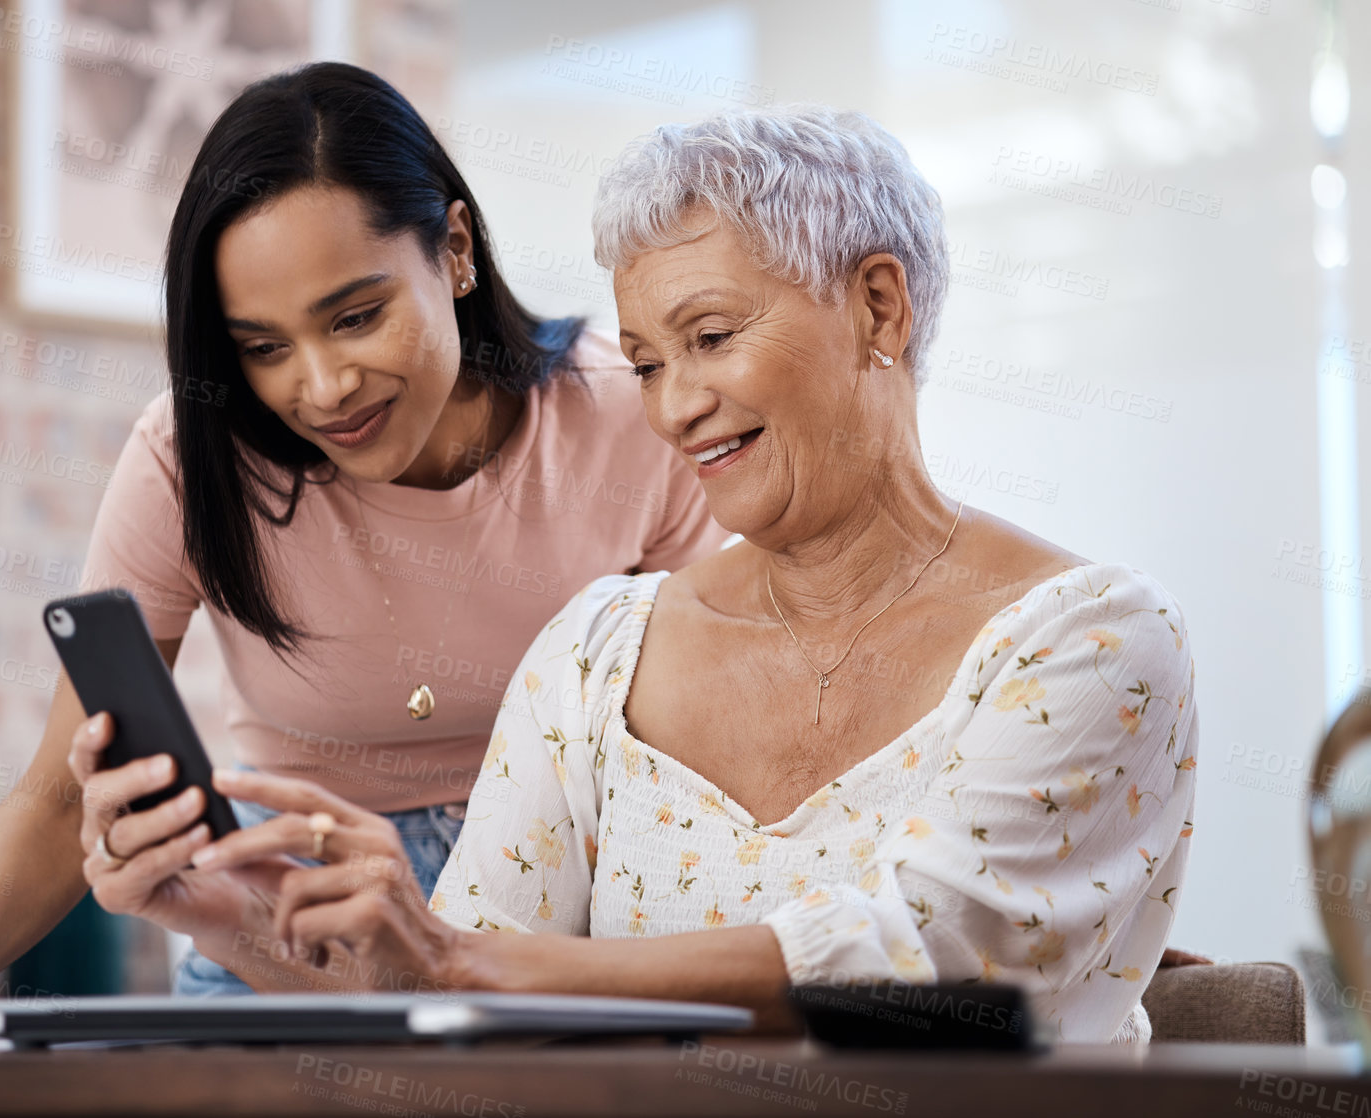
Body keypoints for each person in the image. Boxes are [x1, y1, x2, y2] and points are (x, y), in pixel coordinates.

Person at [72, 106, 1198, 1045]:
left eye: (710, 337)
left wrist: (466, 956)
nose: (672, 406)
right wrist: (225, 919)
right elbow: (455, 1015)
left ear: (880, 306)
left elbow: (946, 962)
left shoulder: (1089, 639)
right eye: (649, 362)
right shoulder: (597, 649)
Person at [0, 63, 727, 1045]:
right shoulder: (191, 460)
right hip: (282, 935)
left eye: (356, 315)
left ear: (457, 248)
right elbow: (60, 791)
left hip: (556, 918)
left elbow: (706, 748)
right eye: (262, 346)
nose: (322, 385)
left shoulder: (629, 417)